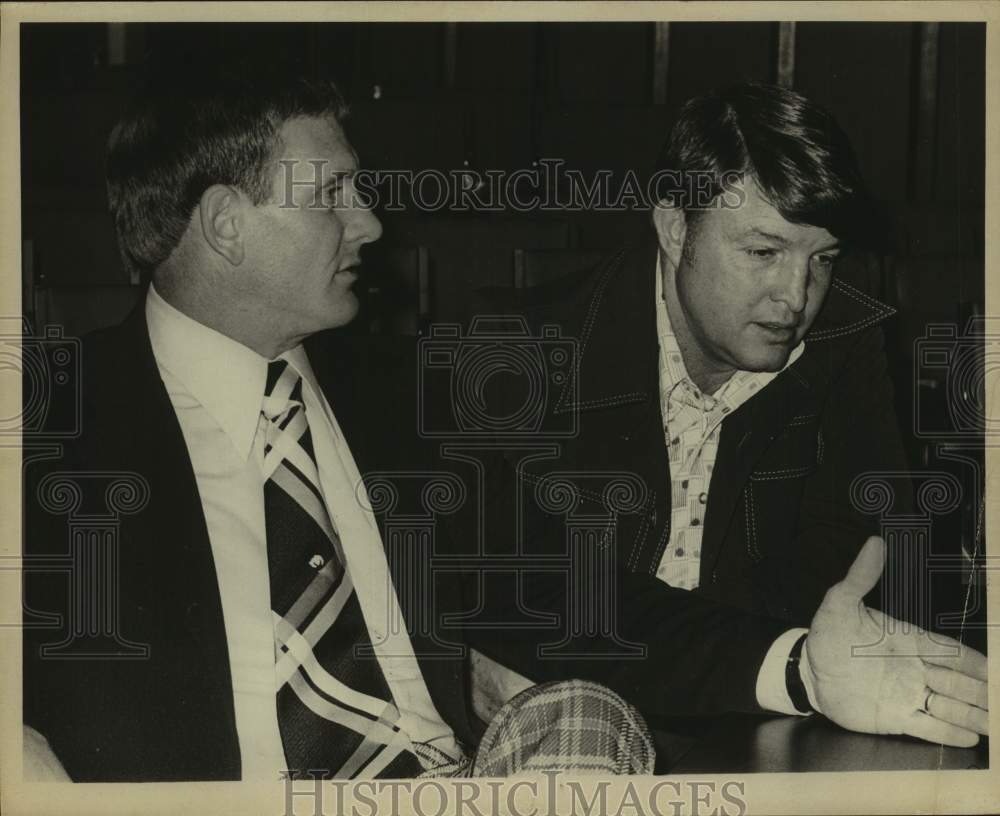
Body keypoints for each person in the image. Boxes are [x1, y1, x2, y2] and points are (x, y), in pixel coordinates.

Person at [20, 66, 656, 781]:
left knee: (588, 717)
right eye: (330, 194)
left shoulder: (411, 397)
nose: (370, 223)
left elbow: (573, 592)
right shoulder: (42, 427)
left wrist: (790, 663)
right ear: (227, 224)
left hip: (455, 788)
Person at [451, 82, 989, 749]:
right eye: (763, 253)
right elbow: (532, 600)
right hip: (575, 732)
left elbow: (867, 565)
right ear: (676, 227)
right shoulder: (516, 351)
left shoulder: (845, 340)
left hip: (760, 715)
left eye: (821, 259)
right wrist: (775, 658)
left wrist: (702, 662)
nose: (796, 298)